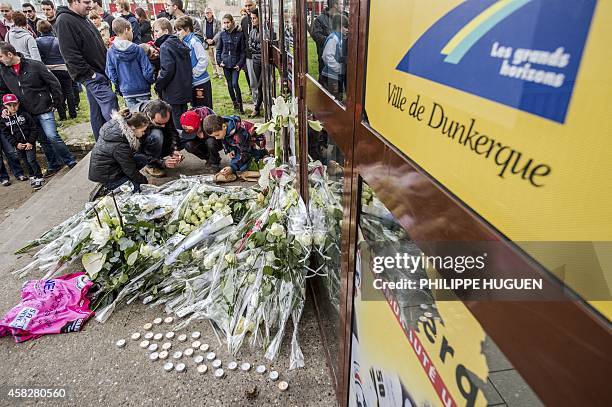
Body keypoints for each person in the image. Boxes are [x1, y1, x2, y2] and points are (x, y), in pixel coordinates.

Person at [0, 41, 76, 176]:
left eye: (0, 56)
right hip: (26, 112)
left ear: (10, 54)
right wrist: (4, 107)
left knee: (52, 136)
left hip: (44, 107)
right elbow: (3, 91)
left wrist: (56, 104)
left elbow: (54, 83)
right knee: (42, 139)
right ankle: (54, 164)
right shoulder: (4, 72)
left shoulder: (34, 65)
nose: (0, 60)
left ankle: (70, 160)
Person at [55, 0, 119, 141]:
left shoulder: (83, 18)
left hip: (100, 73)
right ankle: (119, 141)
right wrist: (90, 74)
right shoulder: (64, 20)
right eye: (86, 2)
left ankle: (102, 146)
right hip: (92, 75)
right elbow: (69, 54)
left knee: (97, 113)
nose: (90, 5)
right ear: (74, 2)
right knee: (110, 101)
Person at [88, 109, 150, 195]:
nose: (144, 133)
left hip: (113, 166)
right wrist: (144, 182)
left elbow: (128, 161)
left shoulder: (118, 129)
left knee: (142, 159)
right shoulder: (120, 145)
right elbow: (129, 169)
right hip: (107, 175)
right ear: (133, 128)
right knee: (138, 189)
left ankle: (124, 181)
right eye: (142, 131)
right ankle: (107, 188)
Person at [106, 17, 154, 109]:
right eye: (132, 30)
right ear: (126, 30)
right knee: (146, 117)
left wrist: (118, 87)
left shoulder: (111, 52)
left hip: (126, 90)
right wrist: (150, 81)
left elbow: (111, 74)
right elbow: (147, 70)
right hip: (142, 89)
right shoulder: (138, 49)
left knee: (134, 120)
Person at [152, 17, 191, 129]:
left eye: (157, 31)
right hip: (183, 88)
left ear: (166, 31)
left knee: (176, 120)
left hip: (173, 91)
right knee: (183, 117)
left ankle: (181, 142)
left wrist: (158, 85)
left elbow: (167, 70)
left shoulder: (165, 46)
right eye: (153, 31)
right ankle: (185, 140)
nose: (154, 34)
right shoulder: (177, 42)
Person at [0, 93, 45, 190]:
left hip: (29, 142)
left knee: (31, 160)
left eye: (14, 104)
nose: (12, 107)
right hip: (18, 145)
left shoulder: (24, 115)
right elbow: (6, 134)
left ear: (18, 103)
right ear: (4, 106)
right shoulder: (4, 120)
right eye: (9, 105)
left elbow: (34, 128)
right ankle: (32, 176)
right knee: (25, 161)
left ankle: (39, 177)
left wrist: (30, 141)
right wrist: (16, 144)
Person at [131, 99, 183, 177]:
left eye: (165, 122)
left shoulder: (166, 110)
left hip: (154, 142)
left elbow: (171, 130)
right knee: (157, 135)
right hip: (142, 149)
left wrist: (173, 149)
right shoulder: (136, 120)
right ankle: (151, 166)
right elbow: (136, 152)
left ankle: (159, 156)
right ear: (149, 116)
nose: (163, 126)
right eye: (159, 123)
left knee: (183, 135)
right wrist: (161, 162)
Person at [202, 114, 266, 178]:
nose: (216, 138)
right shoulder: (224, 127)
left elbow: (245, 153)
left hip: (254, 146)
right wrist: (230, 150)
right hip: (242, 146)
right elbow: (226, 140)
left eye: (217, 135)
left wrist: (232, 167)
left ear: (224, 126)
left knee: (243, 167)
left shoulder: (240, 134)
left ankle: (261, 155)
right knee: (237, 161)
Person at [36, 19, 77, 120]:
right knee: (68, 90)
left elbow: (40, 56)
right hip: (63, 67)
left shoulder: (37, 41)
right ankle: (73, 113)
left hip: (49, 70)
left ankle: (62, 115)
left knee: (56, 92)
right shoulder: (58, 40)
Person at [175, 16, 211, 109]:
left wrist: (194, 73)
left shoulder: (194, 41)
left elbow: (204, 60)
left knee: (204, 109)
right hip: (192, 82)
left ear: (187, 29)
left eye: (179, 30)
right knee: (195, 108)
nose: (177, 33)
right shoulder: (184, 41)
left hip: (201, 82)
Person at [217, 14, 246, 114]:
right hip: (225, 64)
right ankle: (235, 103)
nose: (226, 25)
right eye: (224, 23)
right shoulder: (222, 35)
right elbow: (219, 50)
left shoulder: (239, 34)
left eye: (228, 22)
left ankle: (241, 104)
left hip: (235, 64)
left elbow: (243, 52)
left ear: (232, 22)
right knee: (229, 85)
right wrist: (219, 61)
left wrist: (240, 64)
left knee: (235, 83)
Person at [179, 107, 221, 171]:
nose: (190, 132)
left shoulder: (208, 123)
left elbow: (222, 134)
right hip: (202, 144)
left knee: (210, 141)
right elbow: (182, 141)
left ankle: (215, 162)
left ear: (198, 125)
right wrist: (174, 151)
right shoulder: (187, 125)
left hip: (216, 142)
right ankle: (209, 159)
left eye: (191, 130)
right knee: (188, 145)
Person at [320, 14, 348, 100]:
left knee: (338, 97)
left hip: (336, 76)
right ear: (339, 26)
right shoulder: (333, 39)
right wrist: (339, 68)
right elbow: (327, 56)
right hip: (331, 77)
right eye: (345, 27)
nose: (347, 29)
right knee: (333, 100)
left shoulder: (340, 38)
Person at [311, 0, 339, 78]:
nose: (342, 5)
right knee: (325, 84)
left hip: (338, 60)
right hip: (325, 60)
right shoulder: (320, 19)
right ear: (335, 5)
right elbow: (316, 35)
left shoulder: (340, 18)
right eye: (340, 3)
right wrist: (331, 42)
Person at [248, 8, 263, 117]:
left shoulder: (265, 30)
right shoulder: (252, 31)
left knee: (260, 85)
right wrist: (257, 47)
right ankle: (259, 106)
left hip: (264, 60)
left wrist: (256, 47)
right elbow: (250, 46)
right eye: (251, 18)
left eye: (254, 18)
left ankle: (257, 107)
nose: (252, 20)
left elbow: (264, 47)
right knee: (258, 84)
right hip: (255, 60)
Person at [202, 7, 222, 79]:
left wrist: (213, 40)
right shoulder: (202, 22)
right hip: (207, 44)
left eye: (208, 13)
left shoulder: (217, 22)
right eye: (205, 13)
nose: (206, 14)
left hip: (216, 44)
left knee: (217, 59)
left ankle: (220, 74)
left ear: (211, 13)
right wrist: (206, 39)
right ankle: (215, 73)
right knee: (212, 60)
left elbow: (219, 32)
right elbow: (201, 33)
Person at [241, 0, 256, 95]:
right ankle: (256, 104)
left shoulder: (262, 18)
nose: (247, 8)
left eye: (250, 5)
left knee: (264, 79)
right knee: (253, 82)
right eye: (246, 6)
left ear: (254, 5)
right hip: (249, 55)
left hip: (261, 54)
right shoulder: (244, 20)